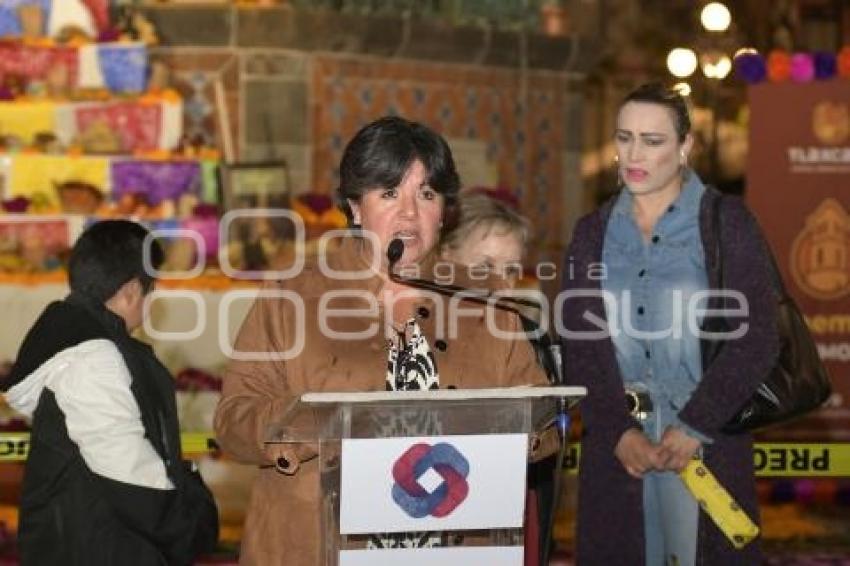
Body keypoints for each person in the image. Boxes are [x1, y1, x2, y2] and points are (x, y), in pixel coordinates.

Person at [214, 115, 549, 565]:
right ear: (355, 207)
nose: (409, 213)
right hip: (320, 543)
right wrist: (313, 420)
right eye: (390, 193)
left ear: (443, 211)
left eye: (426, 194)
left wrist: (521, 428)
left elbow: (545, 424)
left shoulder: (484, 299)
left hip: (453, 544)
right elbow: (234, 421)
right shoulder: (292, 295)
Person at [561, 83, 779, 565]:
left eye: (653, 140)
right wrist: (619, 432)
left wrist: (695, 425)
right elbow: (580, 344)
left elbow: (758, 337)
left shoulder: (726, 224)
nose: (634, 153)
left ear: (684, 147)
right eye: (624, 137)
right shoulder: (590, 233)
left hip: (708, 441)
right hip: (620, 449)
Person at [1, 220, 219, 565]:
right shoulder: (91, 360)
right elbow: (130, 474)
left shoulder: (87, 348)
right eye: (153, 288)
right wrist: (194, 524)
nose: (153, 298)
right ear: (132, 289)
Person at [441, 192, 560, 566]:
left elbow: (548, 431)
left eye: (510, 269)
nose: (500, 283)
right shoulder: (408, 328)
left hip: (503, 504)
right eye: (484, 266)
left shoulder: (527, 335)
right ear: (445, 258)